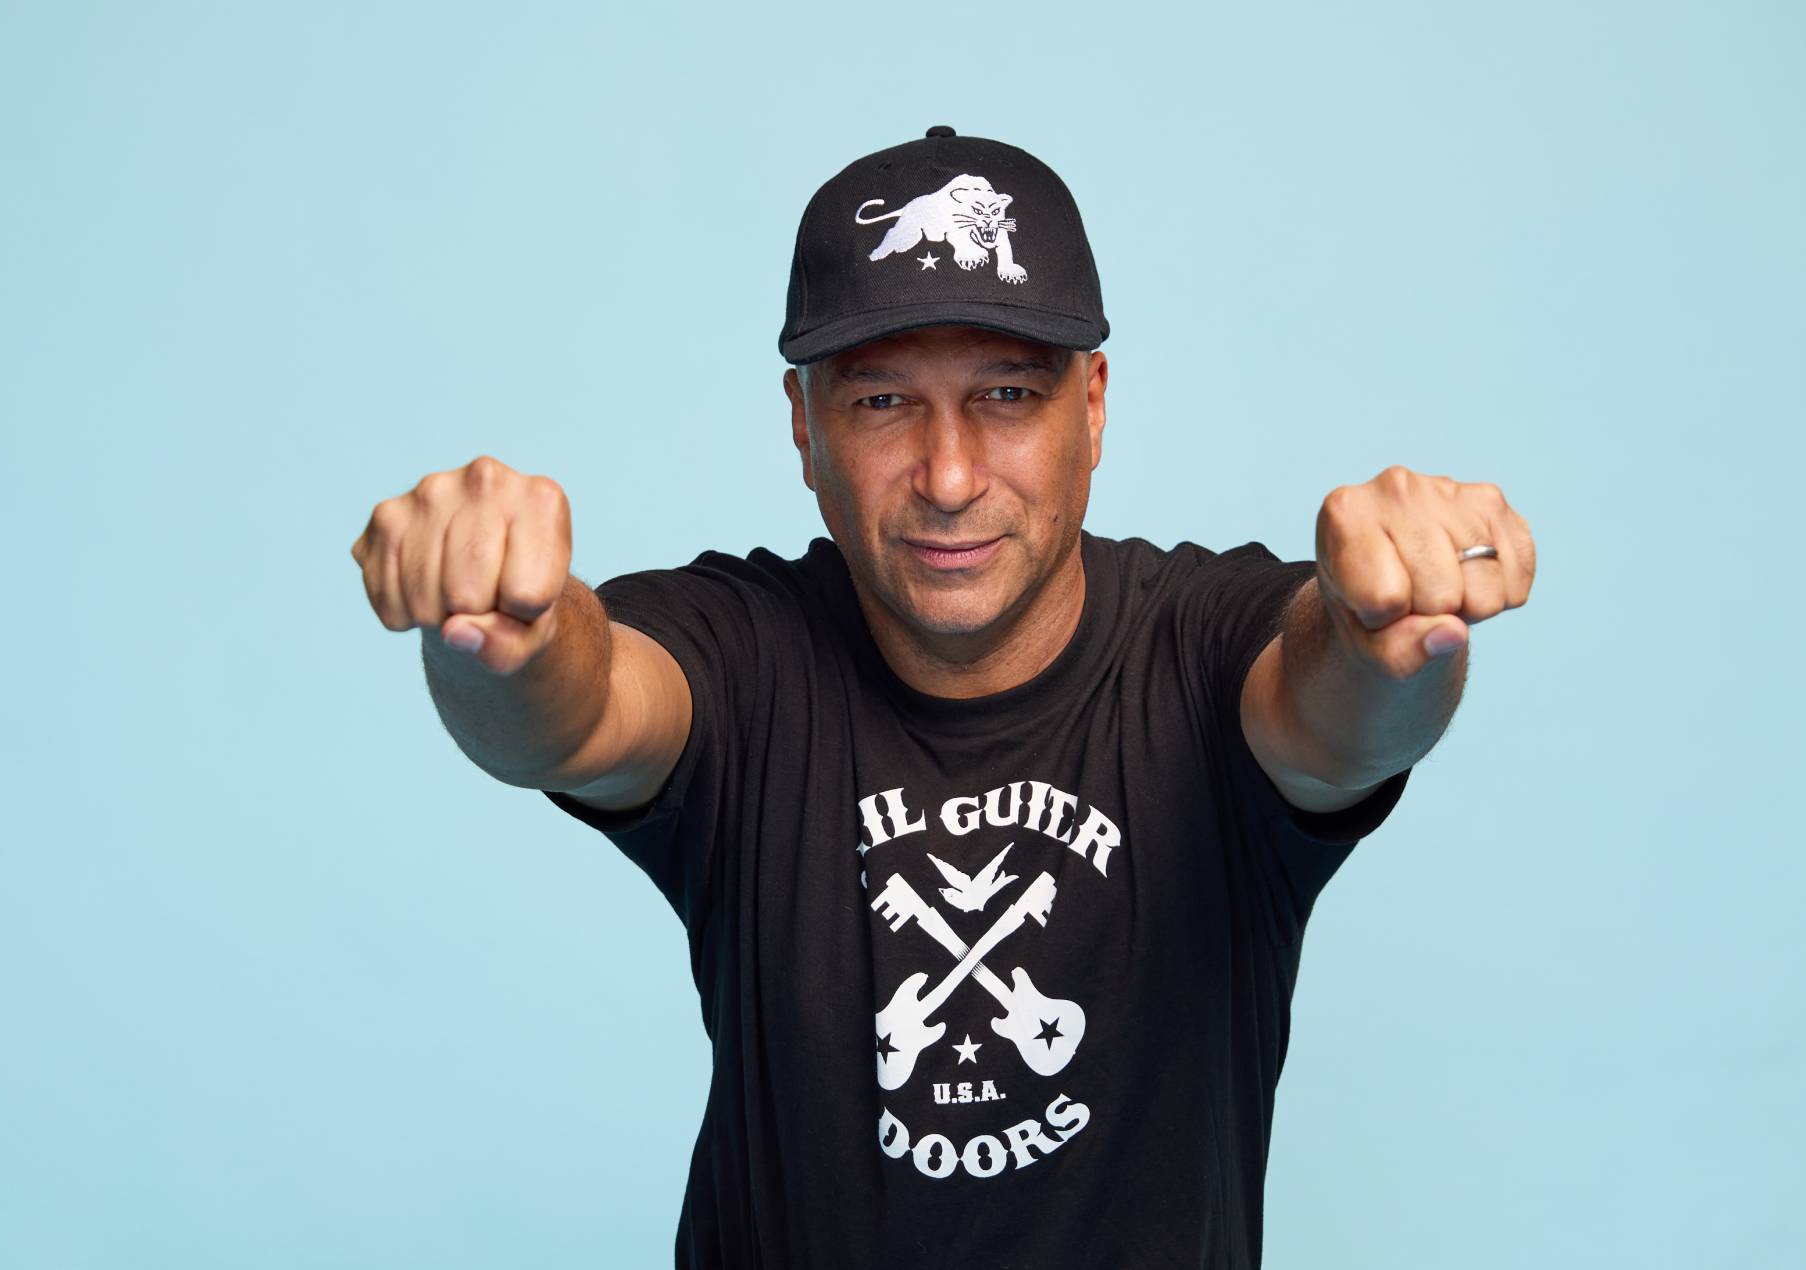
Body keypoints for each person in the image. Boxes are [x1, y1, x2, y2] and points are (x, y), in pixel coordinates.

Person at [349, 126, 1536, 1269]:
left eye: (1007, 396)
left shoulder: (1203, 642)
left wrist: (1390, 634)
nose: (950, 475)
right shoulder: (743, 651)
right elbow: (585, 705)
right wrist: (500, 633)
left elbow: (1331, 720)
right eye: (878, 403)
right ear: (803, 430)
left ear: (1094, 406)